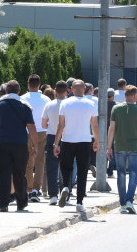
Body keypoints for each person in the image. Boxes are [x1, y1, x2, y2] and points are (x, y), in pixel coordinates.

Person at [52, 80, 98, 213]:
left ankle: (66, 186)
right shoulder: (91, 103)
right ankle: (79, 202)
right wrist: (97, 141)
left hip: (67, 140)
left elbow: (61, 125)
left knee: (66, 167)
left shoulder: (65, 103)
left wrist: (56, 143)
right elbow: (94, 125)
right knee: (82, 171)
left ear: (71, 89)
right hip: (84, 141)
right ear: (84, 89)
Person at [0, 80, 37, 212]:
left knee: (3, 173)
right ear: (19, 91)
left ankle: (3, 203)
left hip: (3, 143)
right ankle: (21, 202)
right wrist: (35, 146)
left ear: (5, 91)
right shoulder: (24, 106)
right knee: (19, 173)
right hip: (20, 144)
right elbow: (31, 127)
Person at [107, 85, 137, 214]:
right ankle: (130, 200)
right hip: (135, 146)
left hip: (119, 145)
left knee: (120, 174)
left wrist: (109, 147)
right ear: (135, 96)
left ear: (125, 95)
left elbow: (111, 129)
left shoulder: (116, 108)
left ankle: (122, 204)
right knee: (133, 173)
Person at [22, 74, 49, 202]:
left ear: (28, 83)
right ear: (39, 84)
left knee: (28, 161)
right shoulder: (46, 99)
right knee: (40, 162)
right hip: (42, 132)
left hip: (27, 132)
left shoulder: (22, 99)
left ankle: (29, 187)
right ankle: (36, 190)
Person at [40, 81, 69, 205]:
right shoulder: (69, 105)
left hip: (52, 136)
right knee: (66, 167)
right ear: (67, 91)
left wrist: (51, 124)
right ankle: (65, 189)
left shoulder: (49, 105)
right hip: (67, 138)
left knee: (52, 167)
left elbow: (43, 124)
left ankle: (53, 195)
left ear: (55, 91)